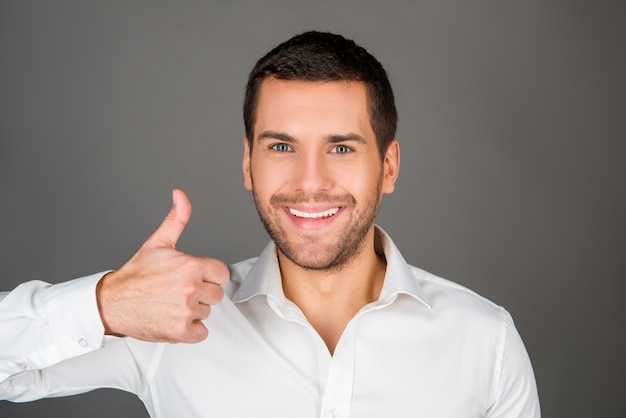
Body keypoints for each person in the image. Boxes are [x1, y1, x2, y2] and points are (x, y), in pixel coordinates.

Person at [0, 31, 540, 417]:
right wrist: (104, 305)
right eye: (281, 146)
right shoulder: (166, 325)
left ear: (389, 166)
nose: (310, 180)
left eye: (342, 147)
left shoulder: (484, 342)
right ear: (247, 165)